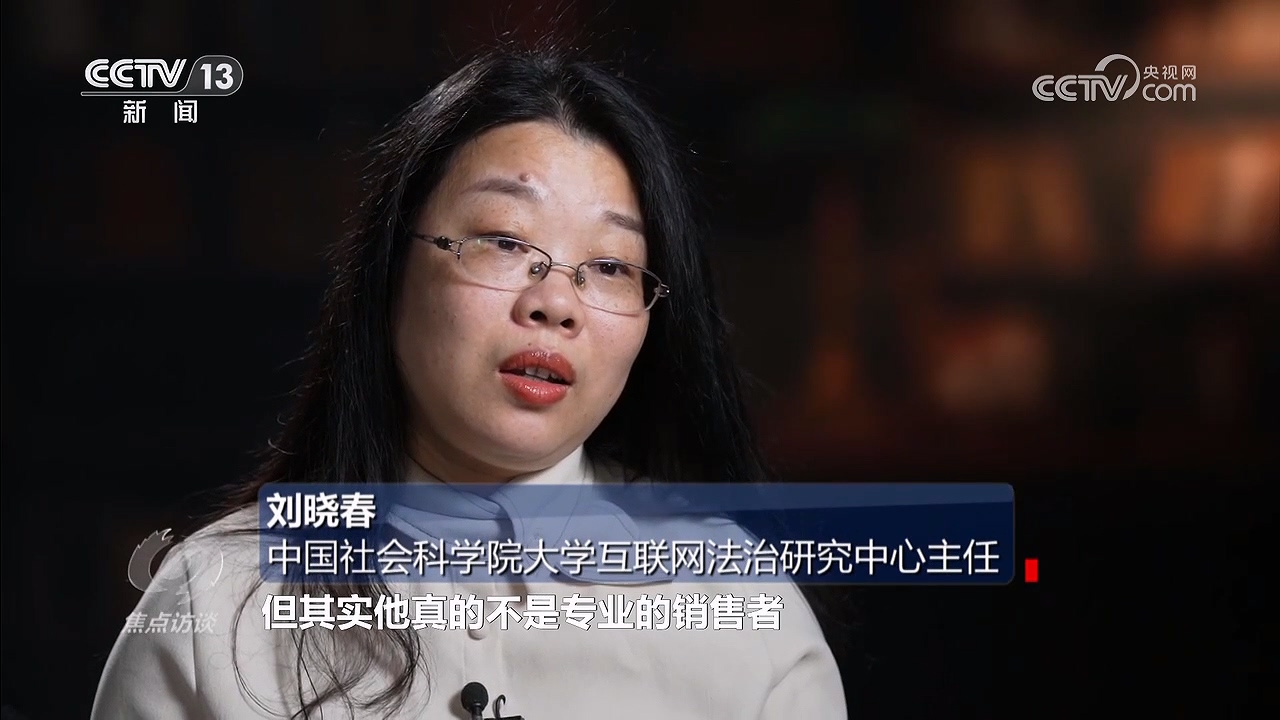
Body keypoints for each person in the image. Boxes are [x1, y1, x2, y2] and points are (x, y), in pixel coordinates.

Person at [90, 43, 846, 719]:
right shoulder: (215, 608)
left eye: (612, 266)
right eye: (505, 241)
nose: (555, 302)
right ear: (391, 269)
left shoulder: (746, 613)